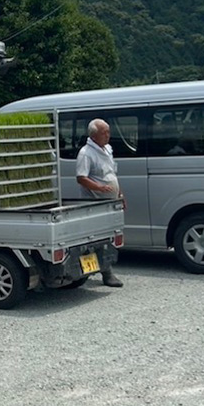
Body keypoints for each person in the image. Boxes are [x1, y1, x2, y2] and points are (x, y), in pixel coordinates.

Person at [75, 118, 124, 288]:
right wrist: (99, 188)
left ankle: (106, 271)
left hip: (110, 202)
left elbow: (112, 173)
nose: (108, 135)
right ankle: (106, 273)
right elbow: (81, 178)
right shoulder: (86, 153)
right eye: (104, 133)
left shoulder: (107, 149)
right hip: (94, 203)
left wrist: (120, 194)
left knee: (110, 236)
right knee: (98, 239)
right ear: (94, 135)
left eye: (108, 132)